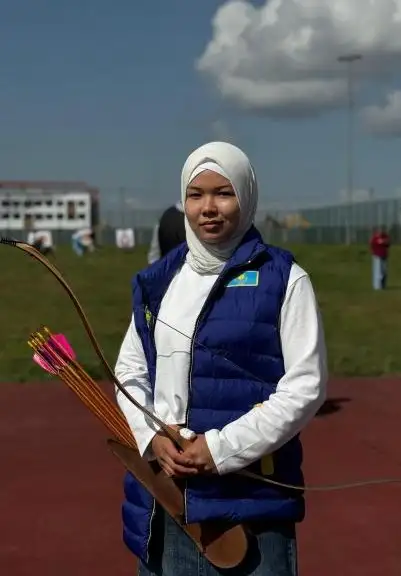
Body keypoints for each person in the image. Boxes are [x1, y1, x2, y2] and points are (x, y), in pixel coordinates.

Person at [114, 141, 328, 575]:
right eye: (196, 195)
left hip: (251, 504)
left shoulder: (285, 279)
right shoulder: (158, 280)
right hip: (167, 496)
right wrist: (152, 436)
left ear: (246, 197)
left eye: (223, 193)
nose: (208, 207)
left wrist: (219, 448)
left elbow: (306, 386)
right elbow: (130, 370)